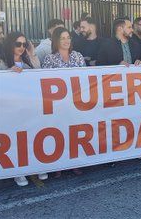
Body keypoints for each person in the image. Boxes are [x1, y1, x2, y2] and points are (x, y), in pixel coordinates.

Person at [0, 31, 47, 186]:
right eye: (18, 44)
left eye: (24, 44)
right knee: (15, 139)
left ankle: (35, 165)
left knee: (32, 136)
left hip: (29, 107)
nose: (21, 47)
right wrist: (8, 73)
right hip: (9, 109)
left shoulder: (28, 59)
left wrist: (32, 54)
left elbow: (40, 74)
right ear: (10, 44)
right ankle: (18, 172)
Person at [42, 27, 85, 177]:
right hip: (58, 105)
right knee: (59, 133)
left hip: (76, 103)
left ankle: (74, 163)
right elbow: (45, 83)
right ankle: (58, 164)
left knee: (74, 133)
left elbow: (85, 78)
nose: (67, 41)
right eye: (62, 38)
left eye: (68, 37)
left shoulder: (78, 56)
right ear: (56, 41)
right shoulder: (50, 58)